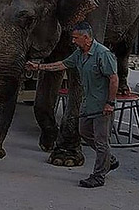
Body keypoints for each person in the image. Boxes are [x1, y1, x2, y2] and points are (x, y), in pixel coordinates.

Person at [26, 22, 119, 188]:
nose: (73, 41)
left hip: (102, 107)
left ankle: (98, 176)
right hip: (87, 104)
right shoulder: (79, 54)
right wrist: (39, 67)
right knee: (84, 132)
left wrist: (110, 103)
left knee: (101, 141)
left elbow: (114, 78)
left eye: (76, 38)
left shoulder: (103, 54)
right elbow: (61, 64)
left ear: (86, 37)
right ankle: (108, 159)